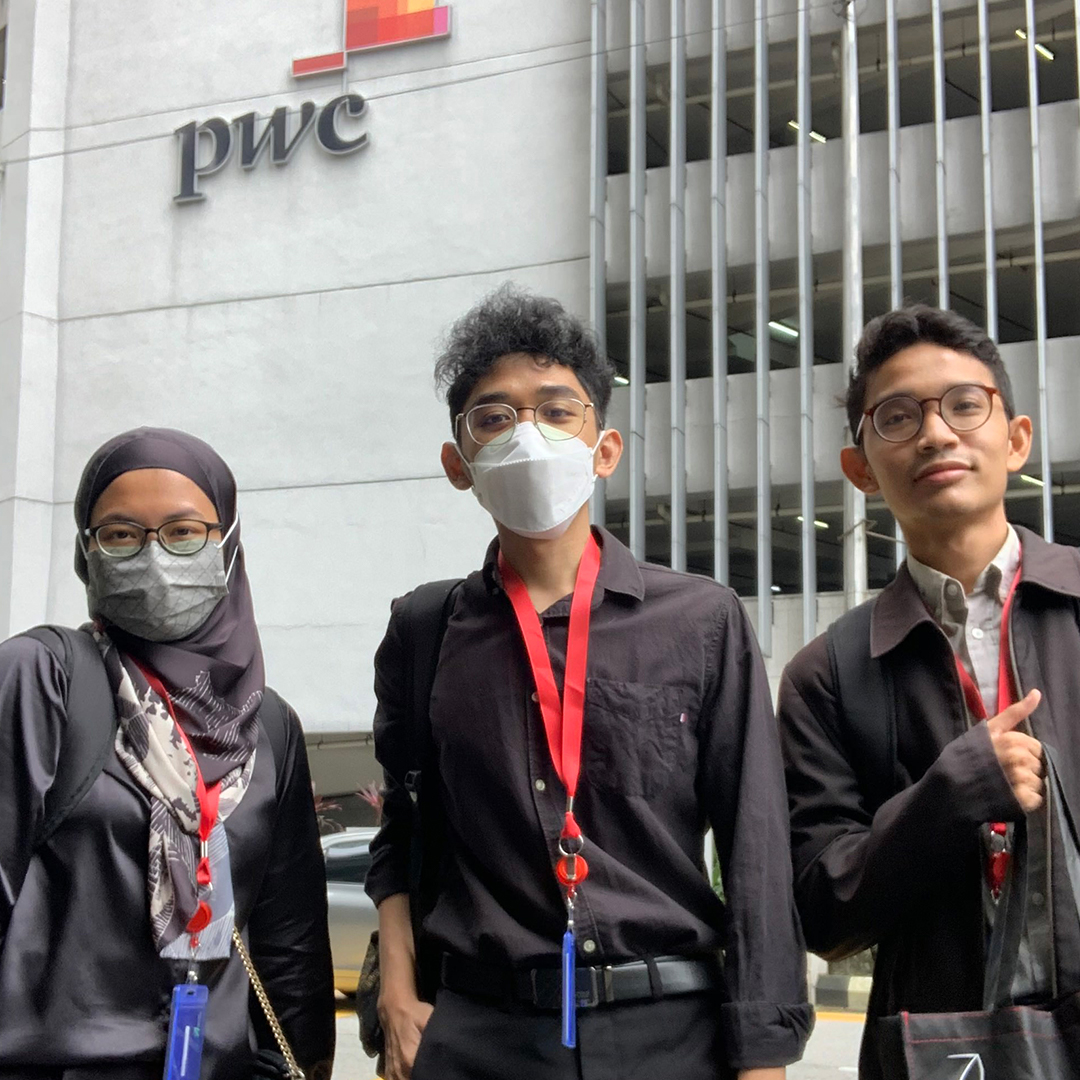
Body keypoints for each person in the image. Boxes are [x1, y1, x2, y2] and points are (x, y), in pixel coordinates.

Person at [366, 285, 812, 1080]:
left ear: (604, 448)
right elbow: (402, 830)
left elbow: (756, 847)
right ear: (457, 464)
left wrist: (764, 1056)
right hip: (478, 1034)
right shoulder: (423, 632)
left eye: (556, 410)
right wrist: (397, 993)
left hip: (670, 1029)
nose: (526, 434)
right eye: (494, 417)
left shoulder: (700, 621)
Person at [778, 305, 1080, 1077]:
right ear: (862, 471)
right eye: (898, 417)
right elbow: (820, 907)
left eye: (964, 405)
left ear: (1015, 441)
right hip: (944, 1053)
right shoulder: (828, 674)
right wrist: (949, 797)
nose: (936, 434)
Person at [0, 427, 335, 1080]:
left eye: (184, 533)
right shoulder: (40, 679)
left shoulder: (268, 725)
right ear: (85, 553)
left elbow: (287, 939)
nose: (154, 558)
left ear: (229, 544)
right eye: (122, 535)